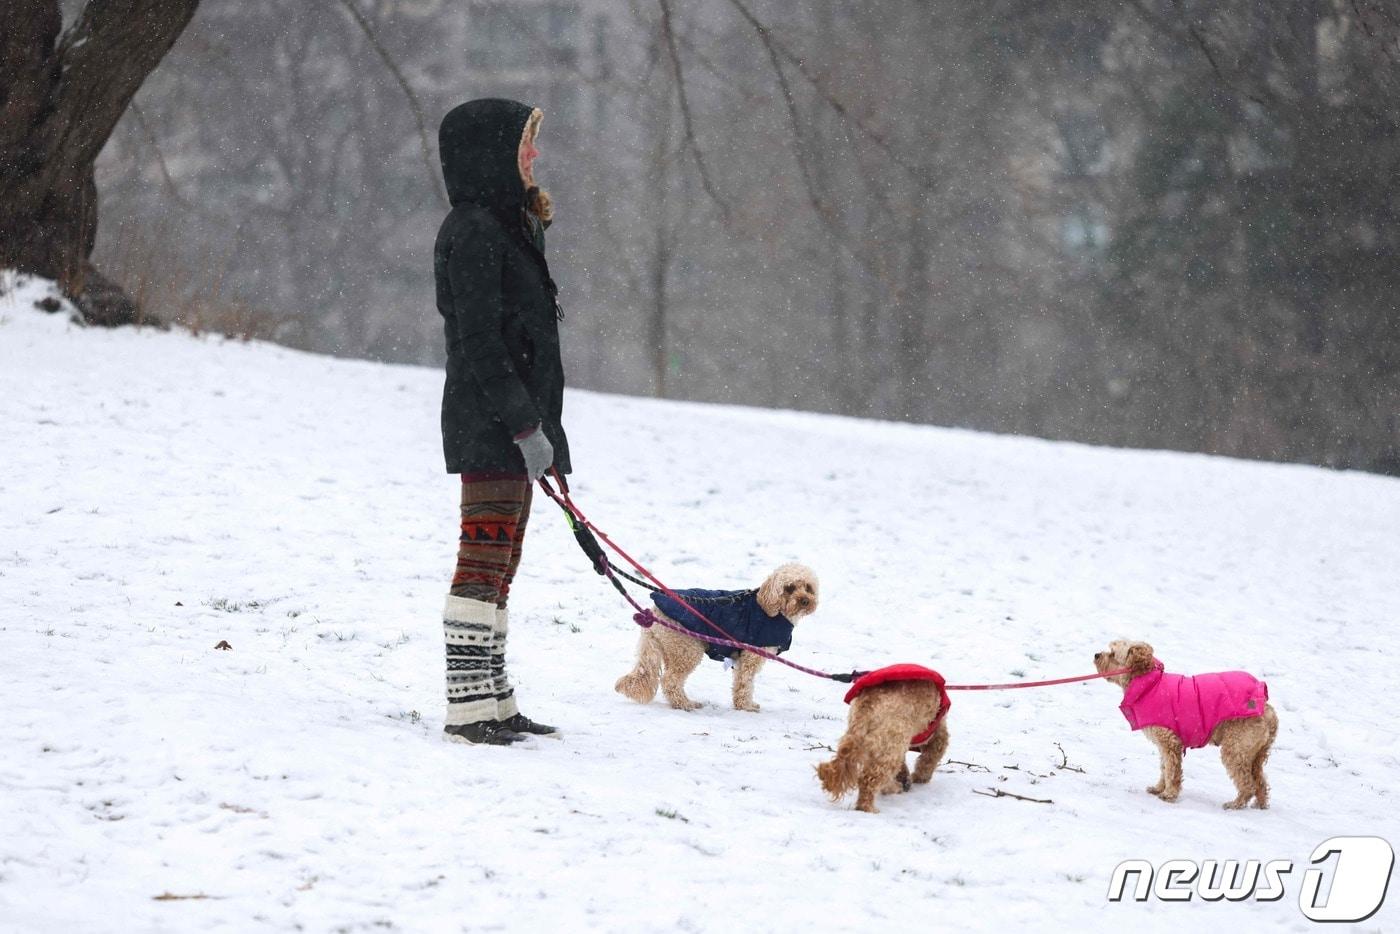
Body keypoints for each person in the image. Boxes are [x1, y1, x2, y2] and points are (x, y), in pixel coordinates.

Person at [433, 99, 571, 746]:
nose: (534, 157)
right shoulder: (474, 235)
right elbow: (483, 348)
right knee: (481, 562)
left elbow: (531, 345)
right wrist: (524, 427)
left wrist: (543, 432)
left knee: (502, 566)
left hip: (513, 431)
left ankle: (495, 700)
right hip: (489, 429)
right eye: (524, 146)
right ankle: (468, 709)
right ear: (492, 154)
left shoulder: (506, 227)